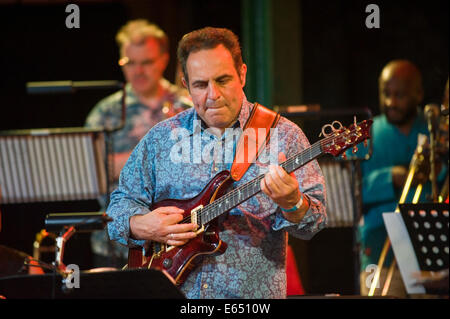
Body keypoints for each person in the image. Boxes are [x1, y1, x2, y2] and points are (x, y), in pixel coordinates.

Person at [106, 27, 327, 299]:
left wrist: (292, 202)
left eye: (223, 80)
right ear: (185, 84)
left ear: (242, 75)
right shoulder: (161, 139)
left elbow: (314, 223)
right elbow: (118, 208)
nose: (213, 95)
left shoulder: (283, 136)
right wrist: (142, 225)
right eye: (200, 85)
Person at [85, 19, 192, 267]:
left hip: (176, 246)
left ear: (164, 60)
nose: (138, 71)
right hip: (113, 245)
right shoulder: (104, 113)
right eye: (130, 63)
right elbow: (88, 174)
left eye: (146, 62)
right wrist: (147, 160)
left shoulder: (187, 106)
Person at [357, 60, 439, 296]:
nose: (391, 102)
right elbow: (353, 194)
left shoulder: (434, 132)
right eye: (386, 94)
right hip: (379, 251)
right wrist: (390, 178)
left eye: (400, 95)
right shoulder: (366, 135)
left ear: (419, 93)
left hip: (429, 257)